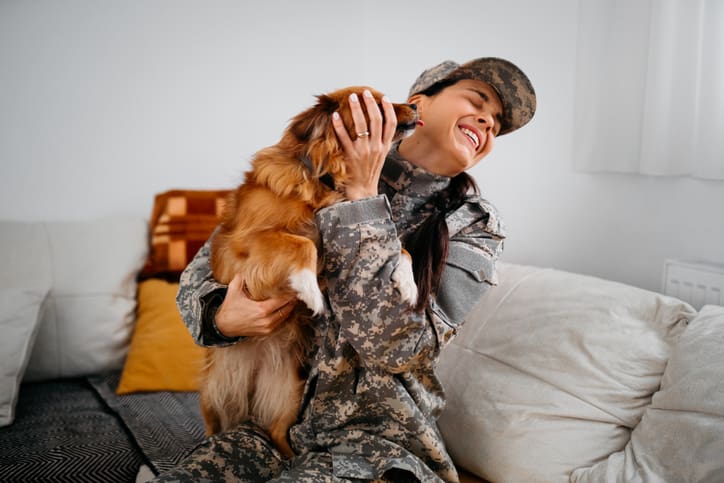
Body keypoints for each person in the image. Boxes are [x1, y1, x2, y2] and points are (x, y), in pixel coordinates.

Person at [153, 57, 535, 482]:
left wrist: (362, 197)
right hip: (262, 431)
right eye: (477, 99)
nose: (487, 120)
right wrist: (221, 316)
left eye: (497, 124)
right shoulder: (311, 164)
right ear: (416, 106)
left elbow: (397, 348)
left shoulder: (474, 226)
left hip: (373, 449)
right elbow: (201, 276)